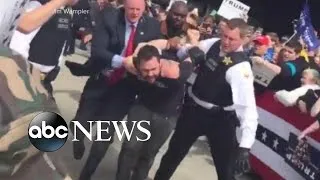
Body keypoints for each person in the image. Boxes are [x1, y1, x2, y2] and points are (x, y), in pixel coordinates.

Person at [66, 0, 162, 179]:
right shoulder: (109, 17)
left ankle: (86, 174)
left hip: (124, 88)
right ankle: (78, 137)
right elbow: (97, 51)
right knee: (81, 123)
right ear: (124, 6)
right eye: (131, 9)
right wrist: (123, 62)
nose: (134, 13)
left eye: (138, 10)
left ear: (145, 9)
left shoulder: (152, 27)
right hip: (102, 78)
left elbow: (156, 52)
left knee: (103, 139)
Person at [154, 18, 259, 180]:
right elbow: (187, 51)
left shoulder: (241, 67)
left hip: (220, 119)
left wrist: (245, 145)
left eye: (232, 39)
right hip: (193, 111)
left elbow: (247, 107)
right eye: (224, 36)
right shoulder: (214, 43)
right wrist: (190, 52)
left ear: (243, 40)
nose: (226, 41)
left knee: (225, 170)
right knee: (172, 155)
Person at [0, 0, 77, 179]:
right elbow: (23, 31)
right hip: (22, 82)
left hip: (42, 82)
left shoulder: (65, 10)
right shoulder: (37, 6)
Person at [115, 45, 194, 180]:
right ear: (138, 66)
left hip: (167, 116)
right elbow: (127, 61)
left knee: (148, 153)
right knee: (130, 148)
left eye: (153, 69)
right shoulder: (133, 65)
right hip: (142, 108)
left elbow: (194, 56)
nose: (150, 74)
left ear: (160, 63)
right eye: (145, 70)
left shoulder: (176, 71)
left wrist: (189, 46)